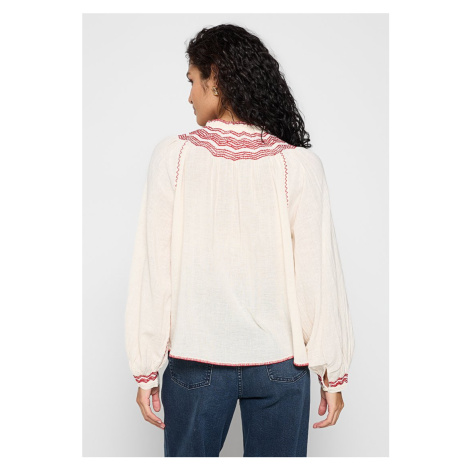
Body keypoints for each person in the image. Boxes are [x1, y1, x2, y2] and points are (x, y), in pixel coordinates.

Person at [124, 23, 355, 457]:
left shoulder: (173, 157)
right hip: (281, 366)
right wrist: (332, 373)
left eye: (193, 80)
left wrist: (146, 369)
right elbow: (317, 277)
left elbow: (155, 271)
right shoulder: (297, 166)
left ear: (215, 77)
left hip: (196, 362)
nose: (189, 96)